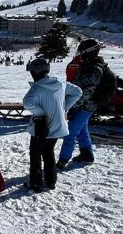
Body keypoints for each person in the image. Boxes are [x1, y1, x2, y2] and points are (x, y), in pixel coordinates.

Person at [23, 58, 82, 192]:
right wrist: (64, 108)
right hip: (58, 126)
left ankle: (35, 183)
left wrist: (40, 113)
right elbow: (78, 92)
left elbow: (27, 102)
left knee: (36, 154)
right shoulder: (60, 83)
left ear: (35, 72)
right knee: (48, 152)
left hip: (42, 127)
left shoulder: (37, 87)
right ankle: (50, 181)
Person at [57, 39, 116, 169]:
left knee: (70, 132)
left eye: (82, 52)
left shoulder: (95, 68)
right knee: (82, 129)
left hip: (85, 106)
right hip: (83, 105)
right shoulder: (88, 65)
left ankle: (63, 160)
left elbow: (87, 92)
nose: (80, 55)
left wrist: (72, 106)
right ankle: (87, 155)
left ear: (88, 52)